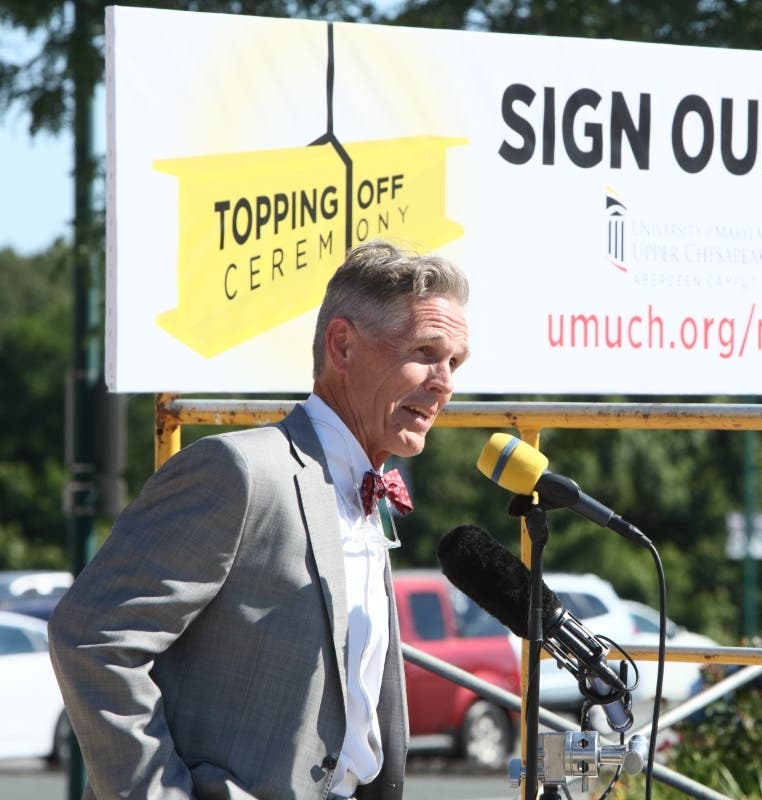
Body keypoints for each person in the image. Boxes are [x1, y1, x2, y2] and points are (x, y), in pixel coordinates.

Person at [48, 239, 471, 800]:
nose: (445, 382)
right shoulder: (240, 471)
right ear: (342, 346)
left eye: (454, 363)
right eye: (424, 351)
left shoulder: (367, 493)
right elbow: (92, 635)